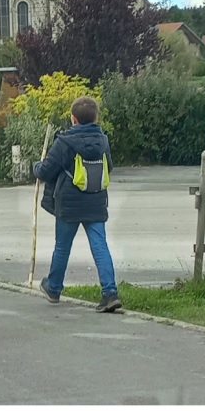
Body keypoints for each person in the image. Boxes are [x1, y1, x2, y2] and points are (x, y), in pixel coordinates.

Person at [33, 96, 123, 313]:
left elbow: (45, 172)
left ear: (73, 119)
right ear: (96, 118)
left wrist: (36, 166)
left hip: (69, 204)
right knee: (100, 245)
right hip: (96, 201)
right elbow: (109, 167)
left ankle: (54, 288)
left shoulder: (64, 142)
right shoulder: (103, 141)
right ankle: (110, 293)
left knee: (62, 246)